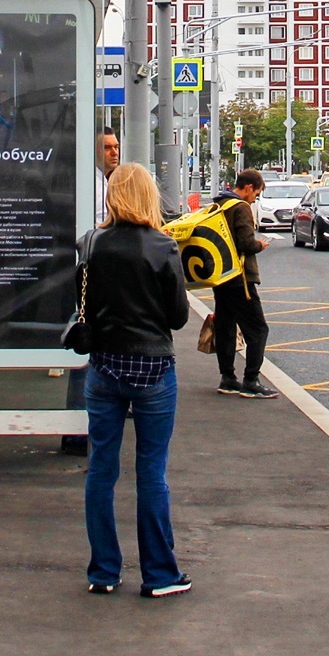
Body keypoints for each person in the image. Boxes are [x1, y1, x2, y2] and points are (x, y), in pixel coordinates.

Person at [79, 161, 192, 598]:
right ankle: (160, 576)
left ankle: (104, 571)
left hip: (104, 366)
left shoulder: (91, 243)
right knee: (151, 472)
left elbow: (82, 302)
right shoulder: (163, 247)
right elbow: (179, 318)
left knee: (101, 470)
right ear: (149, 196)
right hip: (153, 370)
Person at [210, 169, 275, 398]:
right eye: (256, 194)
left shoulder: (218, 204)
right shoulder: (241, 207)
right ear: (248, 188)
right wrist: (260, 245)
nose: (254, 198)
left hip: (221, 276)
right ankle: (251, 381)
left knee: (225, 326)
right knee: (258, 329)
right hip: (240, 280)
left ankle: (227, 378)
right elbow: (246, 243)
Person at [93, 128, 120, 228]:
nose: (114, 153)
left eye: (116, 147)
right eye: (107, 148)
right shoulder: (93, 185)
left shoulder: (103, 181)